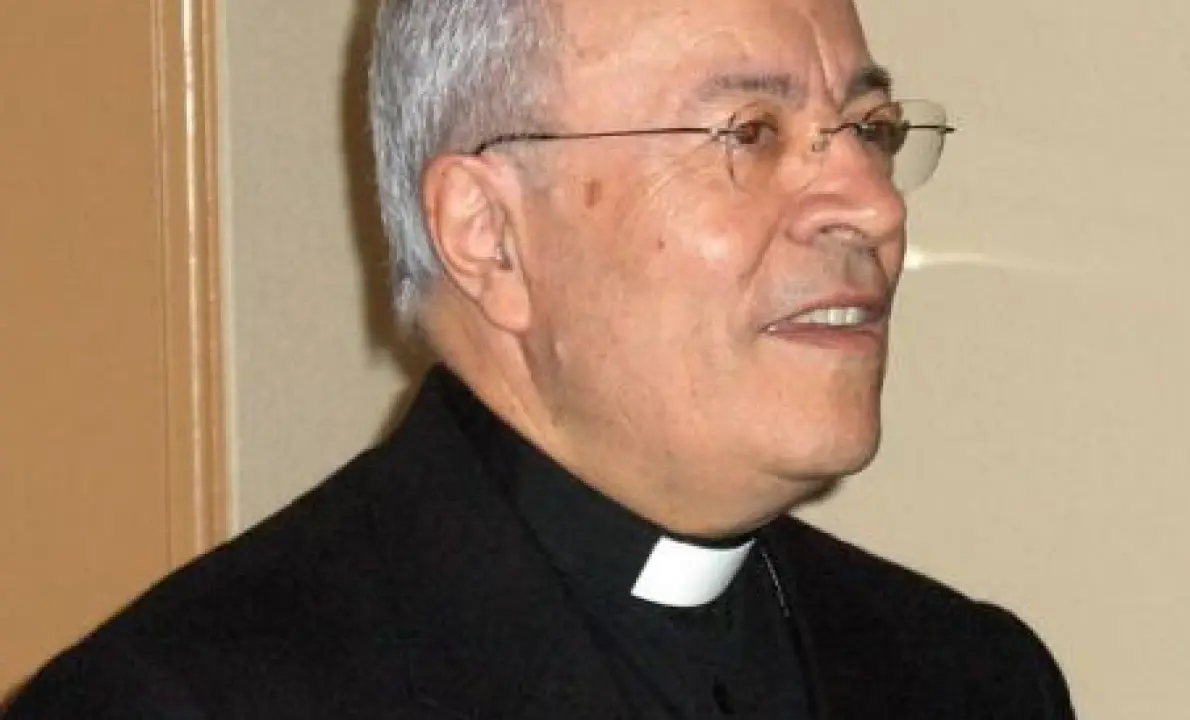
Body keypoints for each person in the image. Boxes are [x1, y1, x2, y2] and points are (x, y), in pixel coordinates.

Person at [5, 0, 1076, 717]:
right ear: (488, 236)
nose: (873, 204)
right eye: (748, 133)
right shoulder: (180, 704)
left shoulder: (972, 681)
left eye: (867, 125)